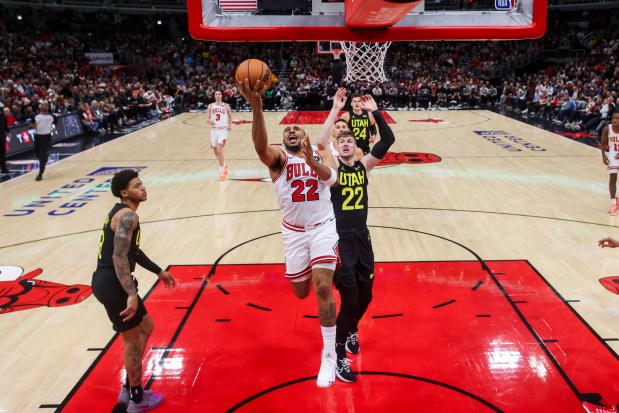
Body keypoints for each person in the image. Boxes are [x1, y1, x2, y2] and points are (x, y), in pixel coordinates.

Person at [238, 79, 340, 388]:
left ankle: (329, 355)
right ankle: (311, 266)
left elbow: (332, 179)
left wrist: (311, 160)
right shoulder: (279, 161)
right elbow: (259, 147)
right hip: (294, 233)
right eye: (287, 131)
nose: (291, 131)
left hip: (323, 227)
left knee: (323, 287)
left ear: (305, 136)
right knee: (301, 292)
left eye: (296, 130)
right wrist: (257, 107)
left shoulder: (322, 154)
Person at [319, 94, 396, 383]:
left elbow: (387, 141)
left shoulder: (363, 167)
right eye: (342, 141)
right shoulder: (334, 171)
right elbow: (320, 143)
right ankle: (338, 357)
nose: (347, 143)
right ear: (337, 149)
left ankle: (351, 329)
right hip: (340, 242)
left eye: (350, 141)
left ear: (356, 146)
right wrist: (335, 111)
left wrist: (376, 111)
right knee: (350, 300)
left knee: (367, 296)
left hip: (362, 239)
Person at [91, 169, 177, 412]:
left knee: (146, 326)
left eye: (142, 184)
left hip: (112, 280)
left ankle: (129, 388)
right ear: (124, 192)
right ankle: (137, 401)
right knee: (131, 342)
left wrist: (157, 270)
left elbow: (131, 251)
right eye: (137, 185)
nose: (143, 188)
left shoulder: (121, 213)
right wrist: (130, 294)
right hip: (114, 283)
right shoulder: (128, 215)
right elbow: (119, 257)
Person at [206, 91, 232, 180]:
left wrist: (230, 125)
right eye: (216, 94)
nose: (217, 95)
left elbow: (230, 117)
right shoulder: (210, 106)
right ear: (214, 96)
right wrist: (209, 121)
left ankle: (222, 171)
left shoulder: (226, 106)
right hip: (213, 131)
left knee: (219, 150)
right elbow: (207, 118)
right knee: (215, 151)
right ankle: (224, 165)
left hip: (223, 130)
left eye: (219, 94)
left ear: (221, 95)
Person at [30, 102, 54, 181]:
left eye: (45, 105)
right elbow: (30, 125)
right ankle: (45, 157)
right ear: (40, 107)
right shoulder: (36, 116)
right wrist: (33, 126)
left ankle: (40, 174)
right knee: (37, 154)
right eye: (42, 105)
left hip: (47, 137)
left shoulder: (52, 116)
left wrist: (55, 129)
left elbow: (57, 123)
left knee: (42, 155)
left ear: (48, 107)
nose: (44, 106)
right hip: (38, 137)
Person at [601, 112, 619, 215]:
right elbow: (603, 143)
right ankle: (613, 204)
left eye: (617, 118)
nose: (615, 120)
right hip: (613, 155)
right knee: (613, 178)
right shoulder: (607, 129)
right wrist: (603, 155)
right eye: (613, 118)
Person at [0, 106, 10, 174]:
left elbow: (4, 121)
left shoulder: (1, 109)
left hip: (1, 135)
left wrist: (8, 130)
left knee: (2, 153)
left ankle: (3, 168)